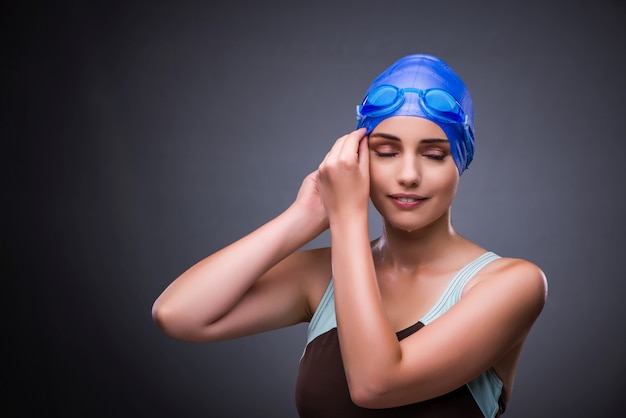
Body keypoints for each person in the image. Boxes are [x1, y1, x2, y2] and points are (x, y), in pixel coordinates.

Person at [152, 54, 548, 417]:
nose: (409, 174)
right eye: (386, 151)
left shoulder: (513, 284)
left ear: (460, 163)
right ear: (358, 160)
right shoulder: (322, 276)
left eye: (433, 154)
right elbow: (179, 315)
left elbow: (376, 385)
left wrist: (347, 218)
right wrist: (303, 215)